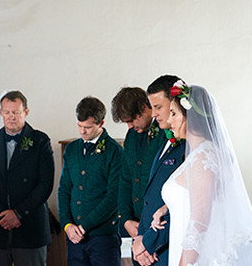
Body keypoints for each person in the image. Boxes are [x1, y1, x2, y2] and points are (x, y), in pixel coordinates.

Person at [151, 81, 252, 266]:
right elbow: (197, 195)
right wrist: (166, 207)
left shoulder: (203, 157)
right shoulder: (199, 154)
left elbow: (200, 221)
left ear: (190, 116)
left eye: (174, 113)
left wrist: (184, 264)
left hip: (197, 256)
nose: (169, 120)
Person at [0, 90, 55, 266]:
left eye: (16, 112)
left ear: (25, 112)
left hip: (30, 227)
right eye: (7, 112)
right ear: (1, 113)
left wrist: (18, 213)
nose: (11, 117)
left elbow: (45, 185)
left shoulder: (40, 141)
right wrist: (2, 215)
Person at [58, 96, 124, 265]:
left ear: (101, 123)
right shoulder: (71, 149)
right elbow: (64, 189)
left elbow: (113, 197)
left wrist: (84, 226)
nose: (82, 131)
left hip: (103, 238)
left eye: (87, 127)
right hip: (74, 238)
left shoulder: (114, 151)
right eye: (79, 126)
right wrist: (67, 225)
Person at [131, 75, 186, 266]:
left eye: (158, 107)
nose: (153, 114)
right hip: (147, 247)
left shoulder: (191, 148)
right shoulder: (165, 139)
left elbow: (185, 205)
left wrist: (148, 244)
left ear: (175, 103)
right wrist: (139, 241)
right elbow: (150, 199)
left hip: (166, 250)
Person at [112, 87, 165, 244]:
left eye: (131, 120)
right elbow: (125, 180)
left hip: (159, 223)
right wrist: (126, 219)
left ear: (144, 107)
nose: (129, 126)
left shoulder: (166, 133)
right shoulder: (131, 137)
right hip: (136, 223)